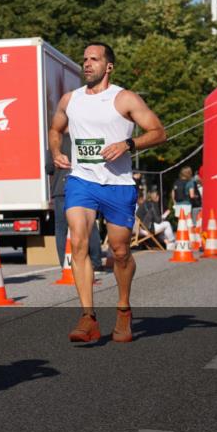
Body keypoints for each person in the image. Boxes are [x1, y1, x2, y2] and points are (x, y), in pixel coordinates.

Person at [49, 42, 166, 344]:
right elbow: (56, 128)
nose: (87, 64)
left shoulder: (124, 98)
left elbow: (158, 131)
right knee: (78, 241)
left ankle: (124, 309)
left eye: (94, 59)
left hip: (118, 185)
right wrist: (56, 150)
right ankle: (88, 317)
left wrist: (128, 145)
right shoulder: (70, 99)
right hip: (81, 181)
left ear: (108, 66)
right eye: (84, 59)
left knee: (120, 252)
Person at [48, 135, 103, 271]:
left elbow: (49, 168)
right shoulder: (84, 136)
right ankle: (95, 262)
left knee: (61, 228)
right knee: (89, 225)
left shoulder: (56, 143)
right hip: (83, 187)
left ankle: (66, 264)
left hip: (60, 189)